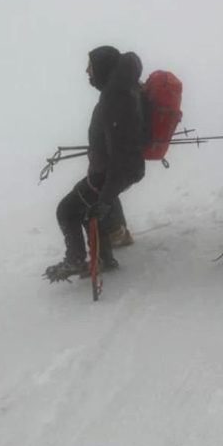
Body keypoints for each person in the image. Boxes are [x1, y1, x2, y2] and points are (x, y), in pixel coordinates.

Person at [44, 46, 145, 282]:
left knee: (68, 210)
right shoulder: (121, 91)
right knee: (89, 207)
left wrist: (106, 197)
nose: (86, 71)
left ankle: (79, 259)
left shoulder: (115, 100)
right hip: (113, 171)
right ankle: (106, 252)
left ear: (102, 68)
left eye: (90, 66)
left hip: (110, 173)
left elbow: (121, 154)